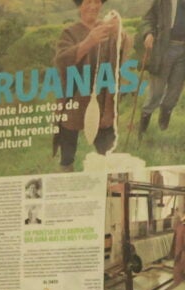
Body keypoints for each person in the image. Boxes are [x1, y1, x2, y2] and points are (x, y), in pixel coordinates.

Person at [51, 0, 131, 170]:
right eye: (88, 1)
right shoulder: (69, 32)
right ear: (80, 5)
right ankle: (66, 170)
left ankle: (106, 174)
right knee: (67, 149)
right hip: (74, 99)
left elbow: (123, 51)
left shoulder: (107, 28)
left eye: (97, 1)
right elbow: (62, 61)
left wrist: (120, 34)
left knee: (106, 150)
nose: (93, 6)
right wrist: (89, 41)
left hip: (103, 101)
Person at [138, 0, 185, 136]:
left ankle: (163, 125)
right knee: (156, 93)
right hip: (163, 49)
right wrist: (148, 33)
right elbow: (148, 19)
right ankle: (143, 129)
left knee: (174, 93)